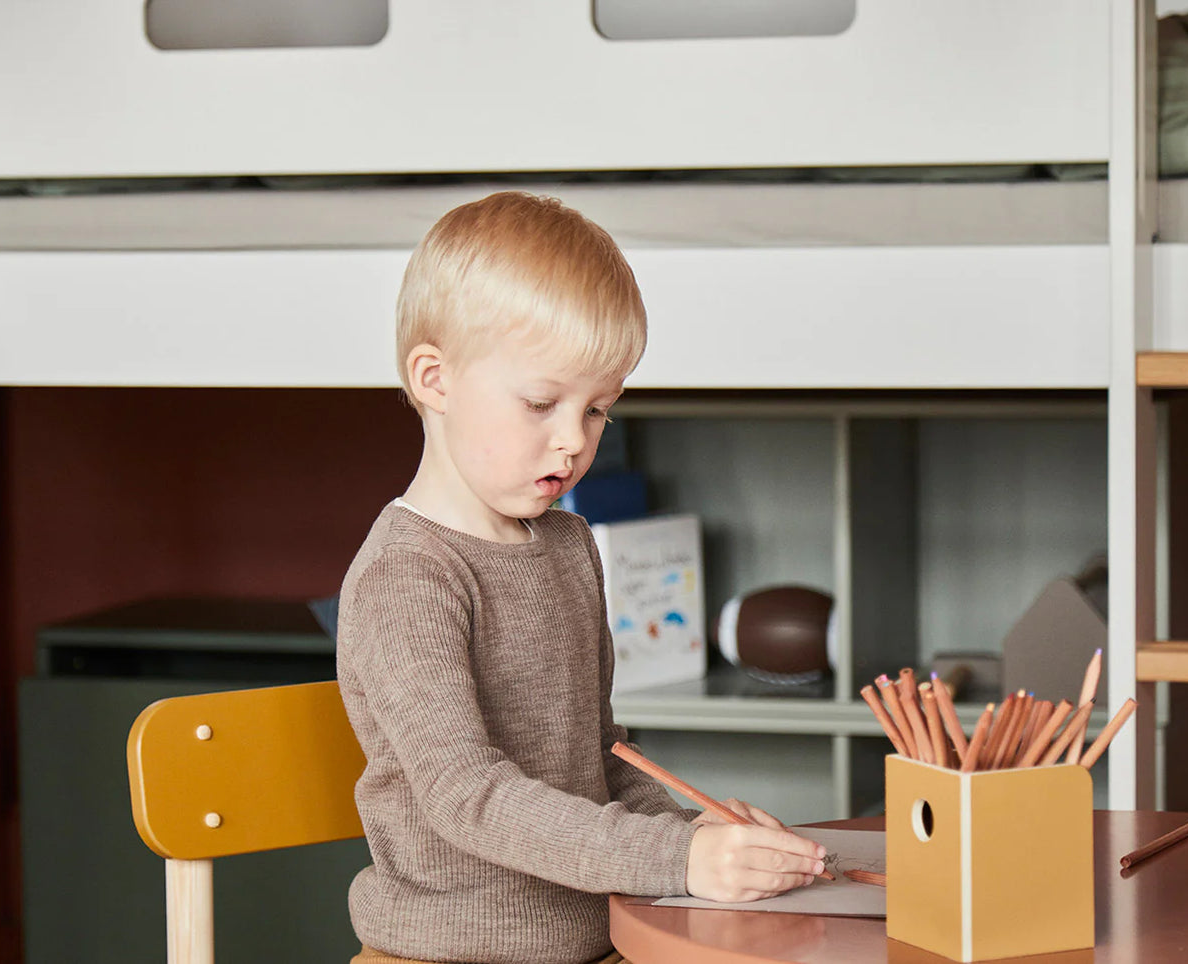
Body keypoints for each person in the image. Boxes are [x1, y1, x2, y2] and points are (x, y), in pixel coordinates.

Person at [335, 191, 827, 964]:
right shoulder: (407, 577)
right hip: (450, 953)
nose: (572, 442)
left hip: (598, 938)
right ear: (433, 378)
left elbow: (600, 759)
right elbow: (467, 798)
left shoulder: (567, 544)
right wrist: (675, 861)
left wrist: (685, 830)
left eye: (598, 410)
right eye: (541, 403)